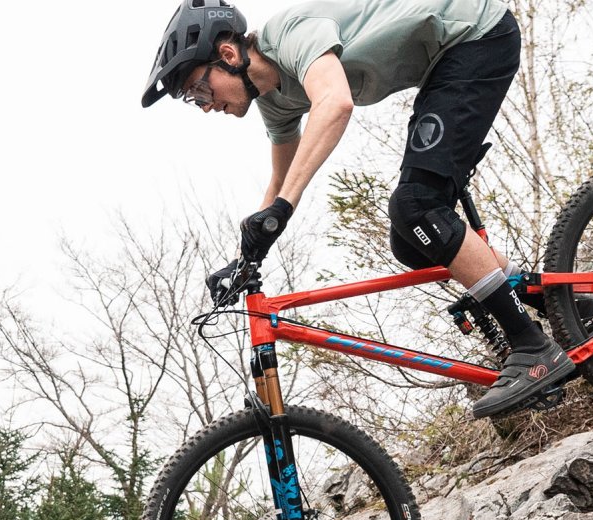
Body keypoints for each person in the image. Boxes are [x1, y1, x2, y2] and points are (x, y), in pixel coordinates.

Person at [141, 0, 569, 417]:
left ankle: (534, 350)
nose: (204, 104)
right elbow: (280, 180)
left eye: (199, 88)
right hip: (446, 64)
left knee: (417, 208)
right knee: (413, 244)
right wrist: (246, 257)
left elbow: (335, 103)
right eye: (192, 99)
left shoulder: (288, 35)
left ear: (228, 54)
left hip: (477, 36)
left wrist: (284, 207)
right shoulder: (274, 101)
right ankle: (561, 301)